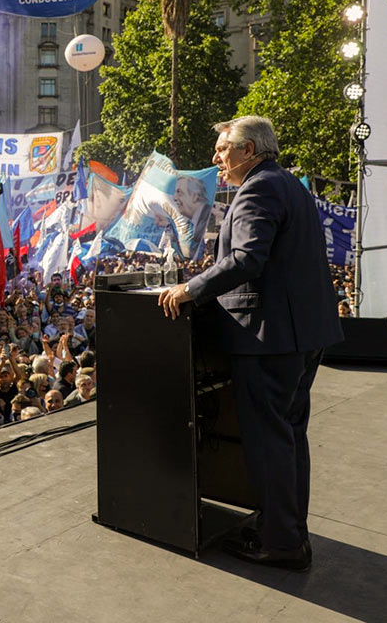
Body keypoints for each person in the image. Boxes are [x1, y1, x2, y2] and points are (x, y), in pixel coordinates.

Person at [159, 116, 342, 572]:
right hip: (300, 333)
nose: (216, 158)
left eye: (222, 149)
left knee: (269, 442)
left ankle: (281, 542)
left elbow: (246, 258)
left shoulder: (258, 188)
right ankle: (287, 529)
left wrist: (190, 289)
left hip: (268, 337)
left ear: (248, 150)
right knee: (289, 437)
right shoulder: (287, 184)